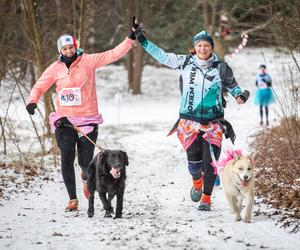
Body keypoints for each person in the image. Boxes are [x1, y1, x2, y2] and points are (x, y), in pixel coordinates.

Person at [133, 22, 249, 211]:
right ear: (194, 48)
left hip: (214, 123)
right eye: (199, 45)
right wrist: (142, 40)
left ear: (211, 47)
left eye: (206, 45)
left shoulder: (221, 67)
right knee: (194, 163)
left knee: (210, 162)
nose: (203, 48)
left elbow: (233, 86)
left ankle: (206, 198)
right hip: (189, 121)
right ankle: (197, 181)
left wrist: (240, 95)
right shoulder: (185, 62)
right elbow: (162, 55)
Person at [26, 27, 137, 211]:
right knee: (66, 158)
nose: (69, 51)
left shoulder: (88, 61)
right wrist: (32, 101)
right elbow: (40, 86)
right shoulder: (55, 68)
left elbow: (112, 55)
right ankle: (72, 199)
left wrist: (130, 39)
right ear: (60, 51)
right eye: (65, 48)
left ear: (76, 47)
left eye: (71, 47)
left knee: (86, 163)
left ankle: (86, 178)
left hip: (88, 120)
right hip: (65, 121)